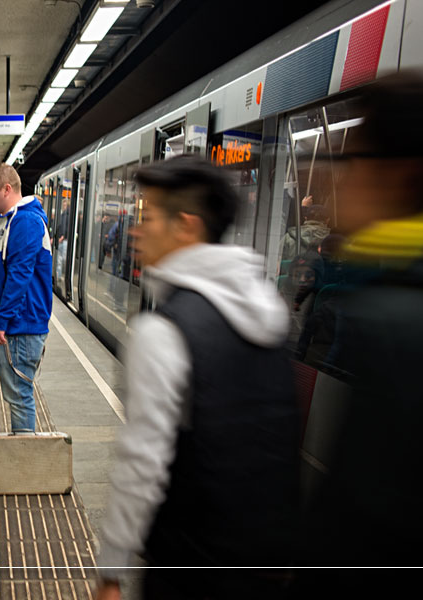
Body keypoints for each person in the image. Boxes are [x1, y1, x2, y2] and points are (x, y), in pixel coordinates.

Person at [95, 156, 298, 600]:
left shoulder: (162, 331)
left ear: (185, 227)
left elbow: (143, 461)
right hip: (265, 559)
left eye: (146, 217)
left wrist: (111, 569)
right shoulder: (270, 309)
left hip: (188, 565)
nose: (134, 229)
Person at [294, 73, 423, 594]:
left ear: (402, 174)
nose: (336, 182)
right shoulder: (389, 287)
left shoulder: (391, 319)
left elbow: (359, 529)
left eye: (352, 161)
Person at [0, 163, 53, 433]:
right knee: (16, 396)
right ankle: (21, 445)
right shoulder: (3, 221)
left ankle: (24, 458)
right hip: (13, 324)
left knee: (20, 397)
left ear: (6, 189)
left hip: (20, 326)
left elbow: (19, 276)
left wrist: (1, 320)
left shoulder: (26, 221)